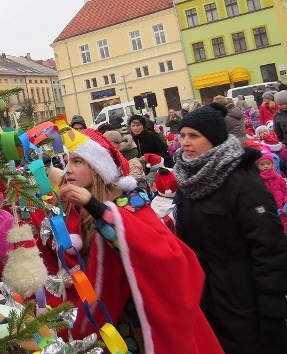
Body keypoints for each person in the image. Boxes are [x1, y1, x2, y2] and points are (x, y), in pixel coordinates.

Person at [55, 128, 223, 353]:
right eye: (67, 161)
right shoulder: (76, 212)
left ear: (97, 167)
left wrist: (95, 206)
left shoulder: (131, 204)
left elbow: (161, 254)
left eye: (77, 161)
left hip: (139, 321)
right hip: (107, 322)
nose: (68, 170)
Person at [174, 103, 287, 353]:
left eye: (194, 136)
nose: (185, 142)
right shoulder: (187, 182)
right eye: (182, 135)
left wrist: (272, 312)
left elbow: (269, 249)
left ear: (214, 139)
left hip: (242, 300)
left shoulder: (243, 183)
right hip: (203, 298)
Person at [255, 149, 287, 233]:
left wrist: (285, 203)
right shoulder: (257, 180)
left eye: (268, 164)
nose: (266, 166)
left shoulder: (278, 178)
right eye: (262, 164)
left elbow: (285, 191)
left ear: (272, 164)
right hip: (269, 211)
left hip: (283, 209)